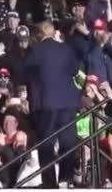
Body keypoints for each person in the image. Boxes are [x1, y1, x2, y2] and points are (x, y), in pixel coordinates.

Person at [25, 20, 80, 188]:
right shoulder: (65, 48)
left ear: (39, 33)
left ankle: (49, 183)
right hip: (67, 103)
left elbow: (25, 70)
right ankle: (66, 178)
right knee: (68, 141)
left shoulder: (34, 50)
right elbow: (75, 70)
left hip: (46, 104)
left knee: (47, 145)